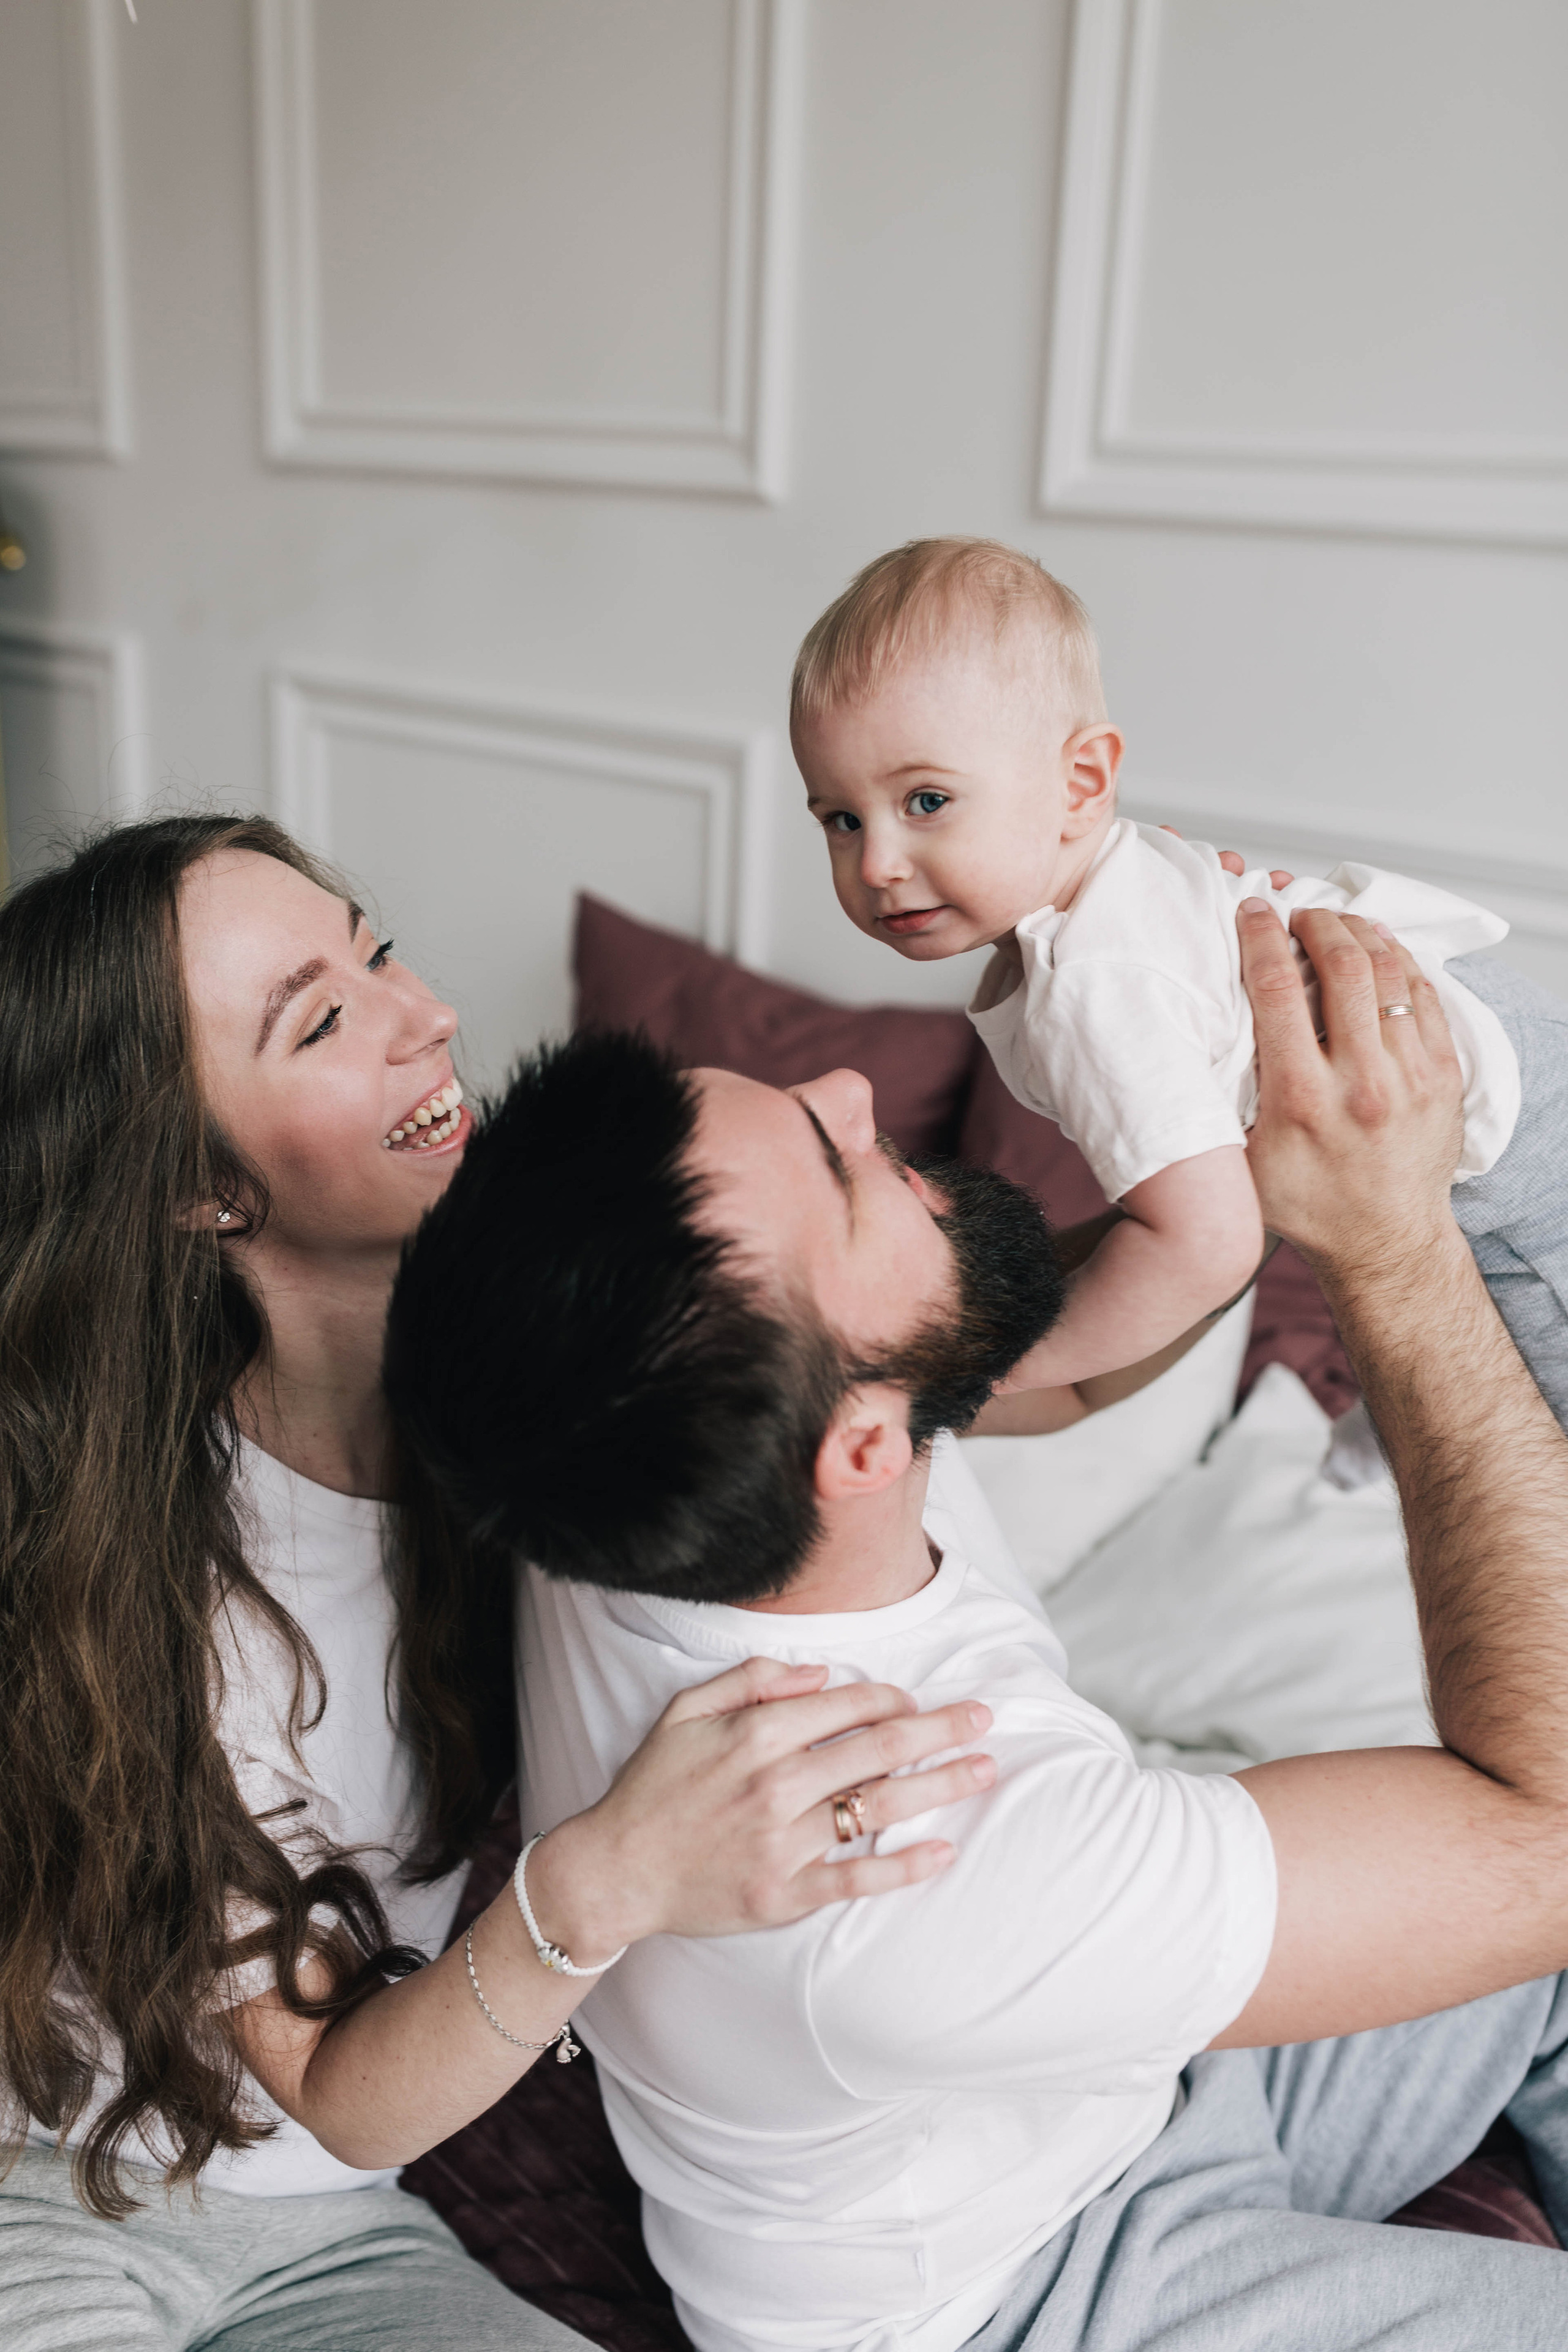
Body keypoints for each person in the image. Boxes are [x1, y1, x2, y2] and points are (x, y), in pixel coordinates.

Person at [389, 904, 1568, 2352]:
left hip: (1111, 2079)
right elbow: (1545, 1835)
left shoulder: (597, 1443)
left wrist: (1197, 1134)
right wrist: (1392, 1254)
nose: (851, 1091)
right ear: (862, 1452)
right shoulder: (930, 1856)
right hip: (1013, 2294)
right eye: (840, 1170)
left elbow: (1048, 1353)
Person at [0, 813, 1008, 2352]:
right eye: (326, 1018)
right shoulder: (145, 1582)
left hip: (338, 2232)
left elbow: (968, 1356)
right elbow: (340, 2094)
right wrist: (616, 1875)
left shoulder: (542, 1392)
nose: (430, 1016)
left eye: (379, 951)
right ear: (202, 1192)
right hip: (53, 2197)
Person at [788, 535, 1568, 1422]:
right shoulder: (1115, 886)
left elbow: (1208, 1244)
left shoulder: (1090, 983)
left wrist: (1002, 1367)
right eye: (841, 818)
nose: (879, 862)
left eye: (926, 801)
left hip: (1522, 1156)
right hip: (1506, 1040)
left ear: (1083, 783)